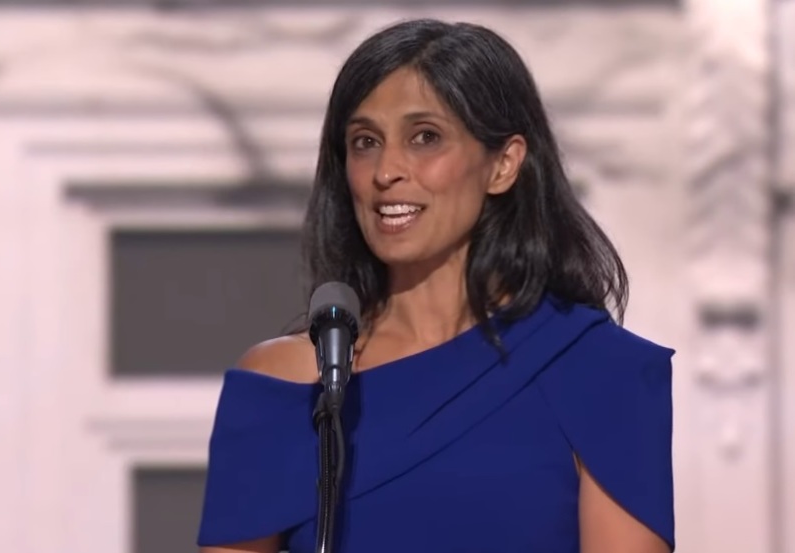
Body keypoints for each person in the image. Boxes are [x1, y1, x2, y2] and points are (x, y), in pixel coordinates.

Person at [197, 18, 675, 553]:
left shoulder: (600, 371)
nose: (386, 171)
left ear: (503, 164)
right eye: (365, 142)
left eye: (425, 137)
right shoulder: (284, 384)